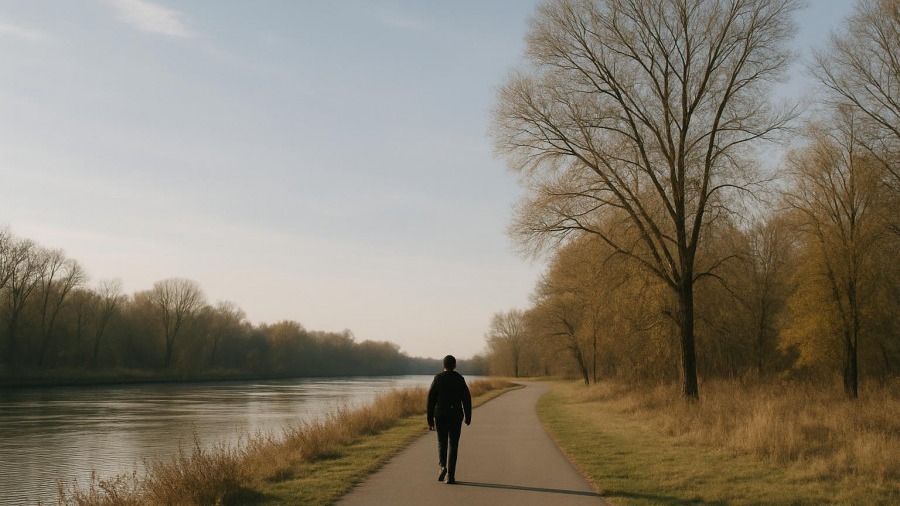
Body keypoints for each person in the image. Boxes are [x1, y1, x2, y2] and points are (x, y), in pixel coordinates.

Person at [426, 354, 472, 484]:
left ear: (443, 365)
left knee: (442, 442)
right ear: (455, 365)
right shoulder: (460, 379)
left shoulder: (438, 378)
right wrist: (468, 416)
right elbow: (466, 399)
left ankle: (442, 466)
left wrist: (430, 420)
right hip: (456, 415)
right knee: (453, 444)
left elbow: (430, 400)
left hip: (440, 414)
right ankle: (450, 475)